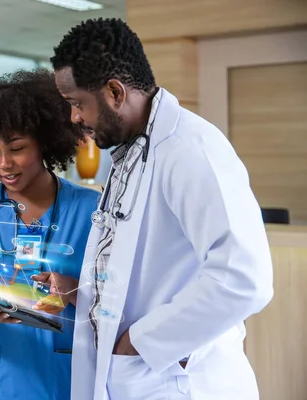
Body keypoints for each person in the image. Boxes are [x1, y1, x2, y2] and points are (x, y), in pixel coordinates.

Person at [49, 18, 274, 400]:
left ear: (115, 92)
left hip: (178, 382)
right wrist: (87, 294)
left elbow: (243, 278)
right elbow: (145, 263)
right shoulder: (134, 151)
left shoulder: (189, 150)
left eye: (77, 104)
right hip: (137, 378)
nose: (74, 118)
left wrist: (139, 341)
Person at [0, 69, 100, 400]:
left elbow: (124, 293)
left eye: (16, 148)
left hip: (57, 379)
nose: (4, 163)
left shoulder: (92, 211)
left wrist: (73, 289)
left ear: (44, 142)